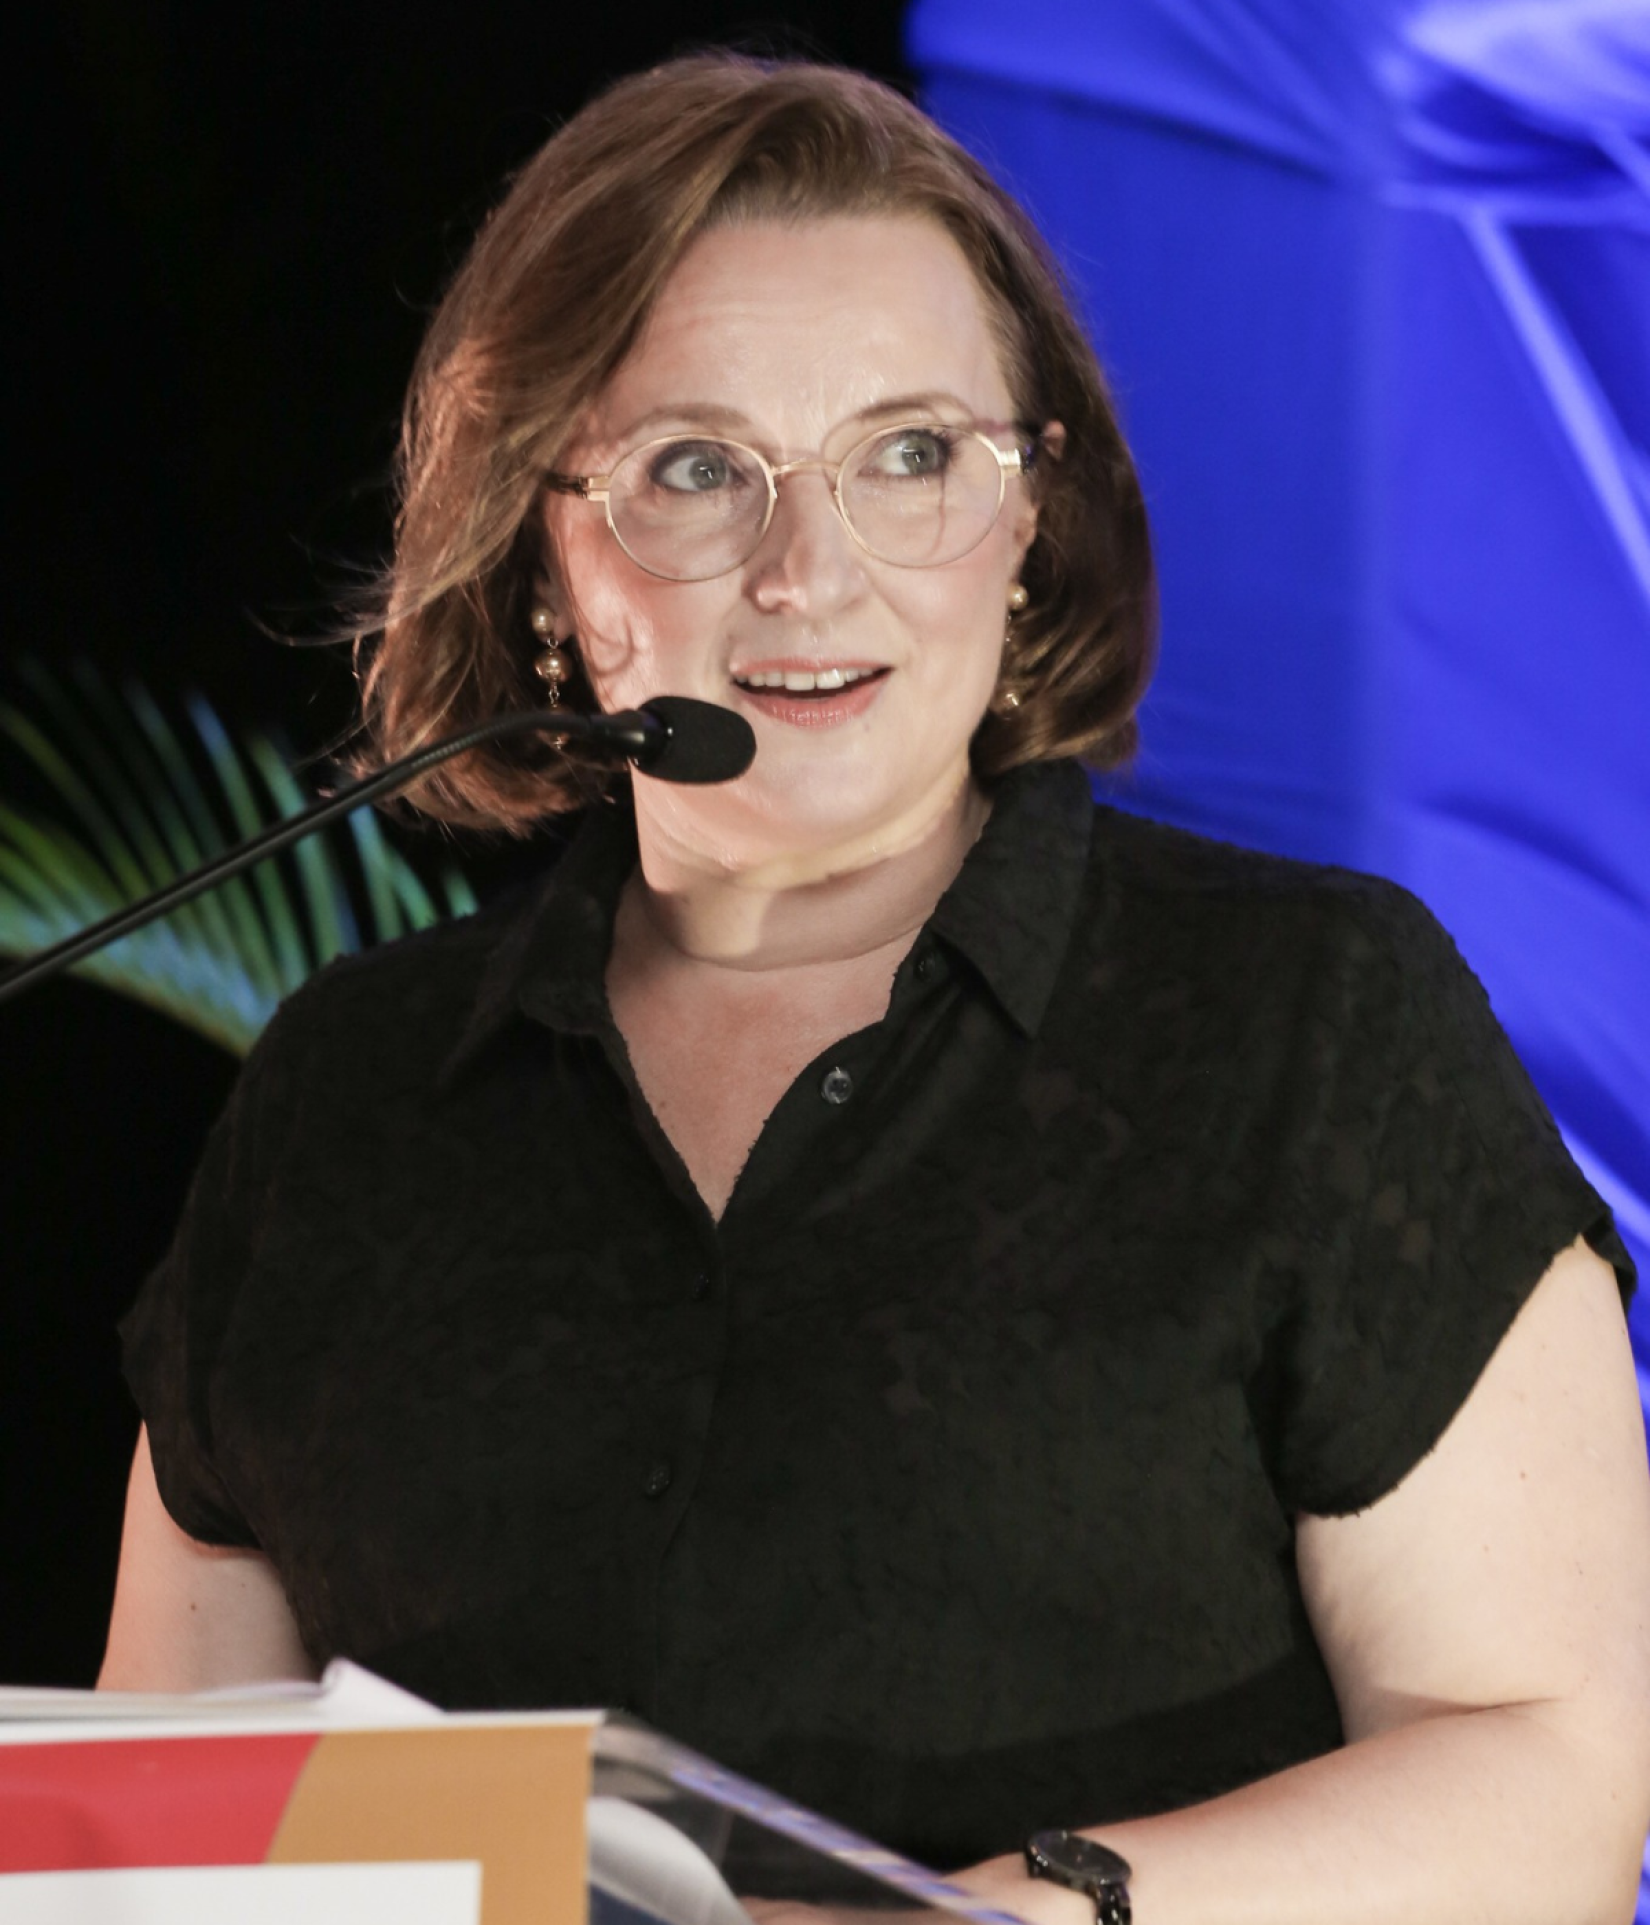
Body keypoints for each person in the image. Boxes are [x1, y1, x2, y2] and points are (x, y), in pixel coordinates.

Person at [98, 54, 1650, 1925]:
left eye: (911, 455)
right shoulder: (341, 1096)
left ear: (1027, 532)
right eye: (695, 472)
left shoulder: (1313, 1019)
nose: (808, 572)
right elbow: (163, 1832)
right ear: (544, 563)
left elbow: (1546, 1780)